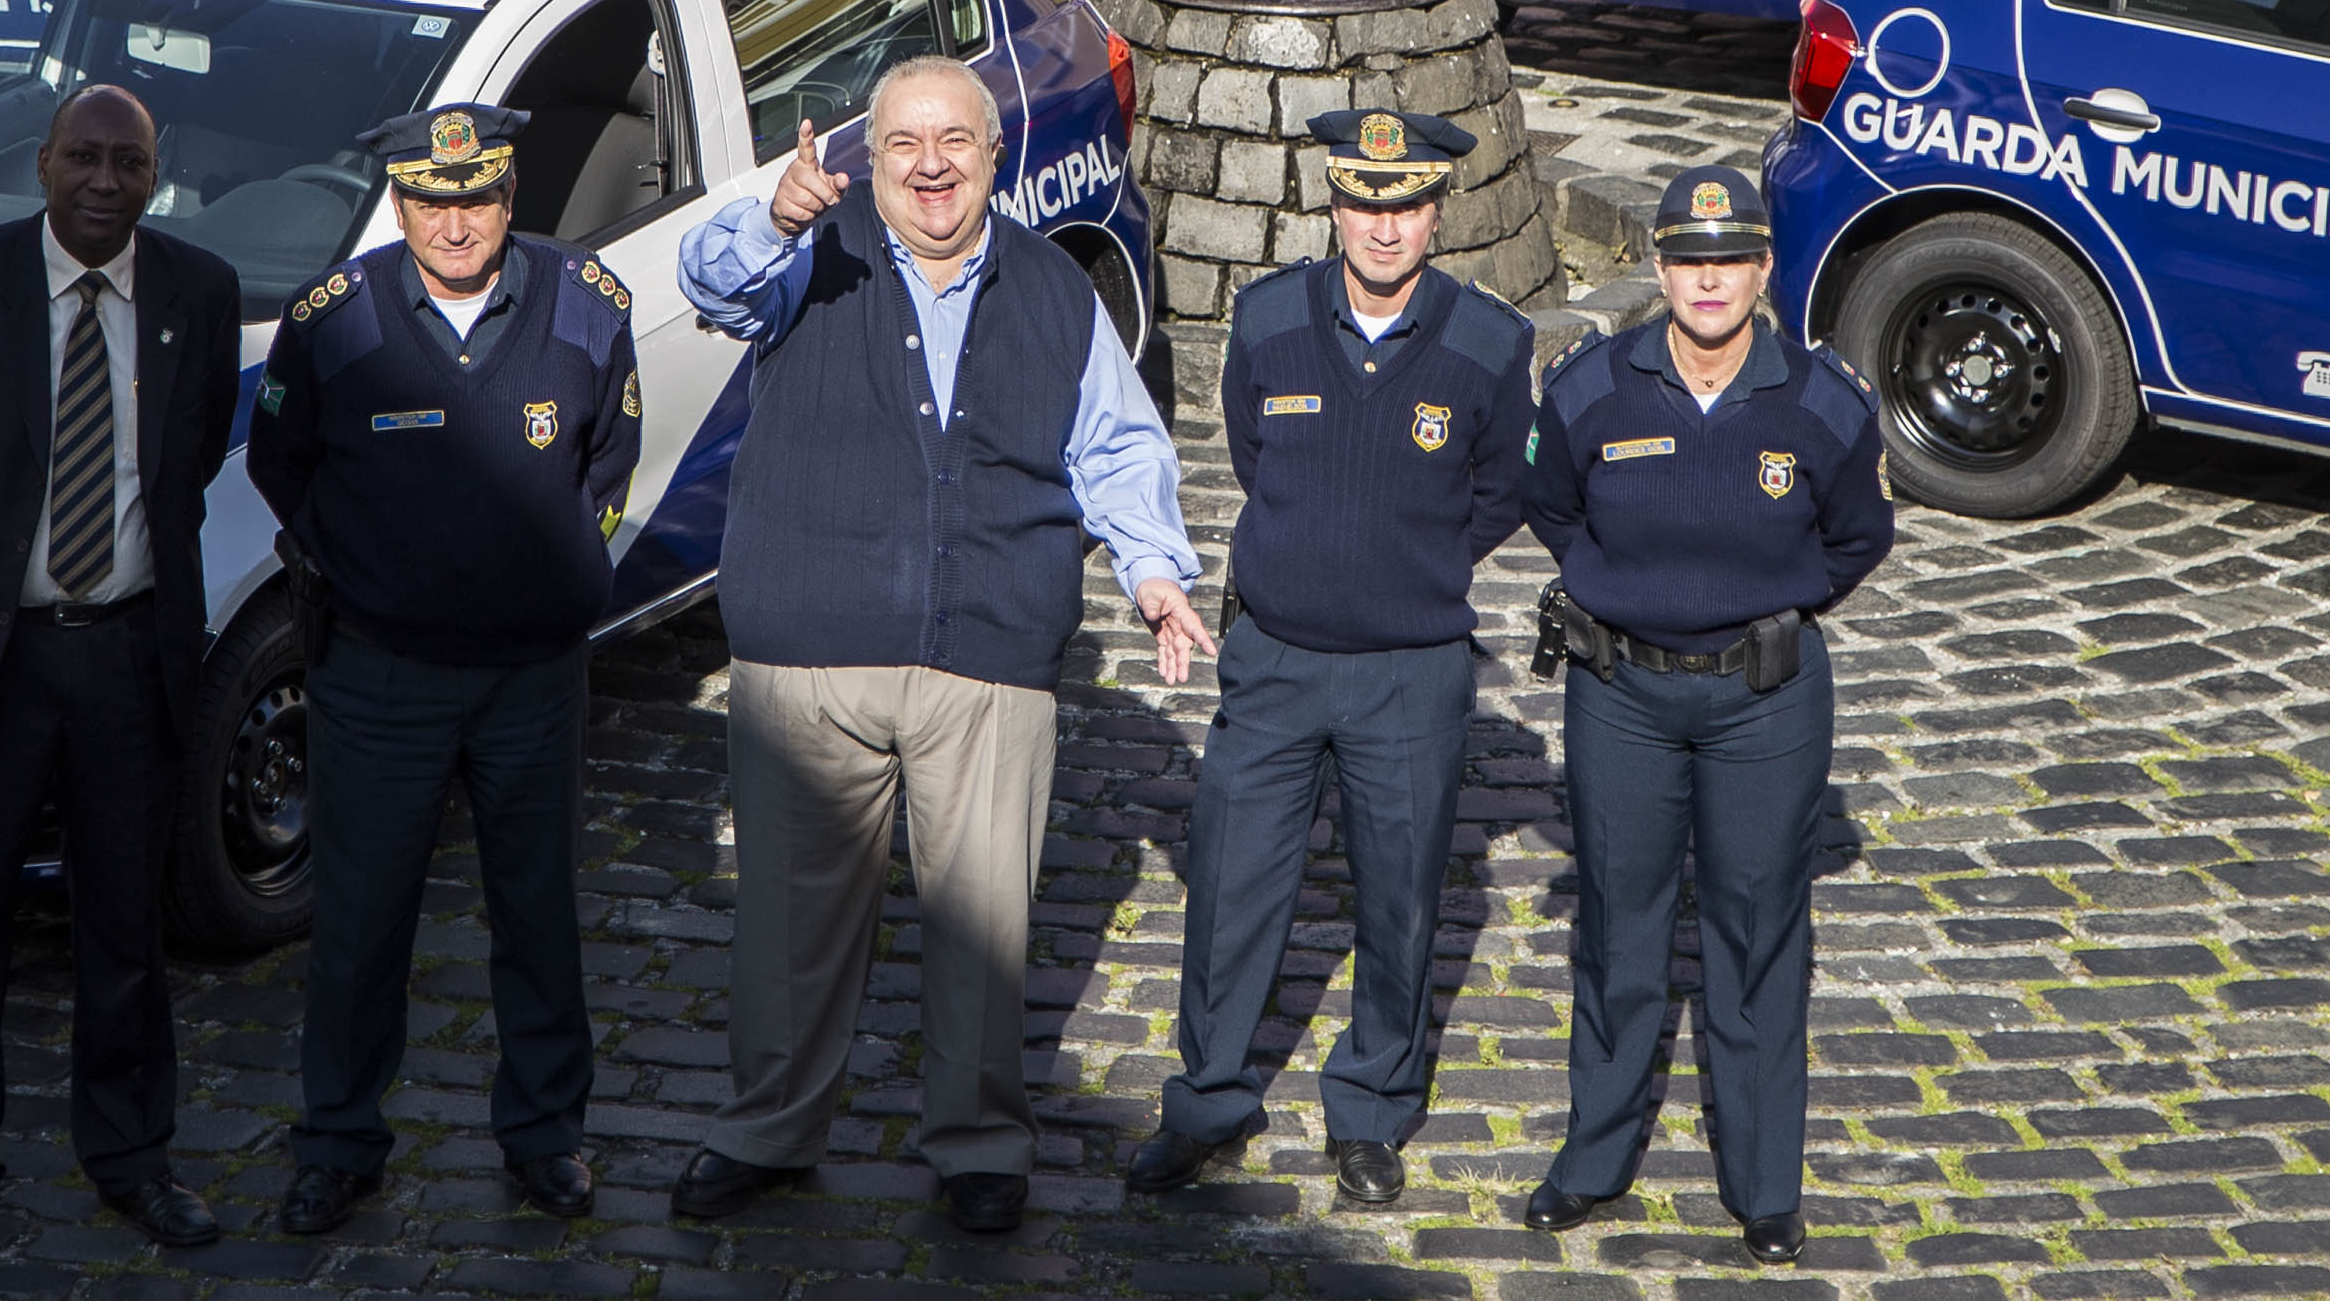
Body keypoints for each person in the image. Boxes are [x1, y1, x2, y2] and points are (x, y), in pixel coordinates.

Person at [665, 61, 1208, 1238]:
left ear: (992, 153)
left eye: (953, 140)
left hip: (988, 662)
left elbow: (1114, 443)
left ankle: (976, 1143)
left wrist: (1153, 569)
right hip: (807, 655)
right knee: (788, 931)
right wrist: (778, 211)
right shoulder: (813, 250)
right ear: (869, 154)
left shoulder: (1057, 291)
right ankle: (768, 1128)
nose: (928, 164)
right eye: (903, 141)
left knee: (983, 929)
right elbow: (706, 278)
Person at [0, 85, 242, 1266]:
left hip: (128, 653)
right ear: (40, 165)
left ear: (154, 179)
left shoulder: (199, 294)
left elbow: (186, 470)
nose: (104, 182)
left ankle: (131, 1155)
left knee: (124, 926)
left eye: (129, 164)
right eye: (84, 157)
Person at [1125, 109, 1536, 1205]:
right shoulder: (1265, 321)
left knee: (1400, 902)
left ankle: (1371, 1110)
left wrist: (1410, 560)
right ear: (1333, 204)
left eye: (1405, 205)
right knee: (1229, 888)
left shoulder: (1491, 345)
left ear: (1437, 211)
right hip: (1275, 660)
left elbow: (1501, 487)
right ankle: (1208, 1101)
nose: (1385, 226)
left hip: (1411, 669)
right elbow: (1250, 449)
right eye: (1365, 201)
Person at [250, 105, 637, 1235]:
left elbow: (610, 454)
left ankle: (546, 1136)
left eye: (476, 199)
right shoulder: (335, 320)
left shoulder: (585, 304)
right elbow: (284, 465)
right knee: (361, 922)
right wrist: (369, 572)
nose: (455, 221)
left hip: (532, 677)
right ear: (400, 203)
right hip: (379, 678)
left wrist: (559, 571)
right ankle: (337, 1140)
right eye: (430, 199)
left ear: (510, 198)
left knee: (538, 913)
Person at [1521, 168, 1893, 1266]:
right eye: (1689, 260)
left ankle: (1764, 1185)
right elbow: (1550, 505)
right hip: (1620, 696)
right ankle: (1593, 1159)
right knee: (1619, 928)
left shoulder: (1821, 401)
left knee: (1756, 930)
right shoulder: (1591, 387)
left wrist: (1760, 609)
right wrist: (1628, 597)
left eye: (1729, 261)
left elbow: (1856, 537)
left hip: (1763, 700)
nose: (1709, 281)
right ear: (1660, 267)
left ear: (1762, 270)